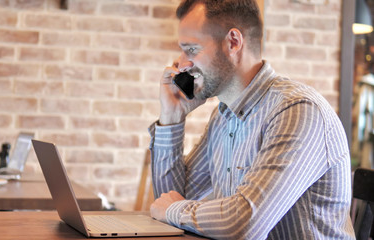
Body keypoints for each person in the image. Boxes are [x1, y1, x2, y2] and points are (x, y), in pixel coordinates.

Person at [148, 0, 355, 239]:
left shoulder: (297, 111)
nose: (182, 63)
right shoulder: (224, 116)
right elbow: (168, 200)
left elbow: (245, 224)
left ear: (233, 42)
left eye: (192, 49)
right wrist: (172, 117)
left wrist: (174, 209)